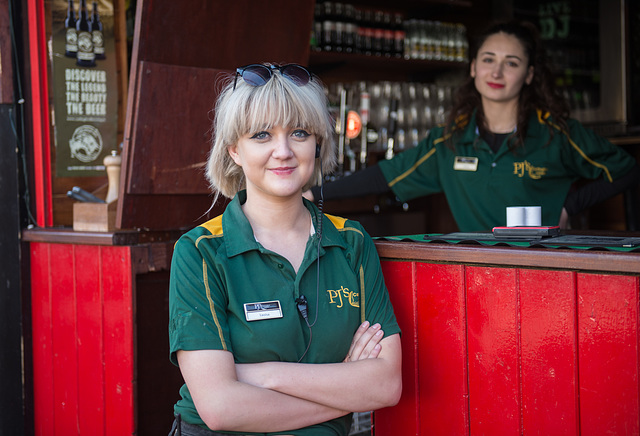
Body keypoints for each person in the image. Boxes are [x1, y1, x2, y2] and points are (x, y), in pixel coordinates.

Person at [168, 63, 402, 436]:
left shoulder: (353, 243)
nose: (283, 151)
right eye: (261, 135)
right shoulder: (199, 252)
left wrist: (265, 376)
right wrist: (345, 384)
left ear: (317, 143)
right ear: (234, 151)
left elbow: (385, 386)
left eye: (299, 133)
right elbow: (220, 408)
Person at [305, 21, 640, 232]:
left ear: (529, 75)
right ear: (473, 68)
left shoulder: (555, 133)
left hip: (548, 267)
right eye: (488, 60)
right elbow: (385, 175)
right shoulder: (452, 140)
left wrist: (569, 208)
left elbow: (627, 170)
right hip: (479, 269)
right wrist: (314, 193)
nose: (497, 73)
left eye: (511, 63)